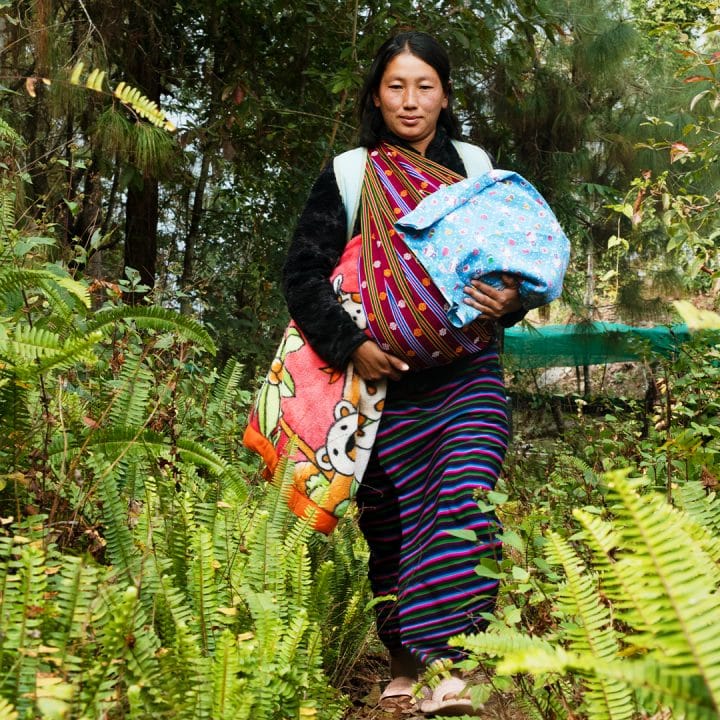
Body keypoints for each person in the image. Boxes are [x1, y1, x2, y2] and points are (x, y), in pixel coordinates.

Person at [282, 31, 525, 716]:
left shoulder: (475, 168)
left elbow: (517, 258)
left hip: (468, 374)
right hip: (383, 391)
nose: (410, 100)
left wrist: (516, 298)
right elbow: (302, 274)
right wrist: (350, 344)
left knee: (465, 496)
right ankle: (404, 655)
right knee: (392, 522)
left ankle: (456, 661)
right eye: (396, 86)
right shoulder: (351, 174)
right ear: (377, 94)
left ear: (445, 95)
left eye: (424, 86)